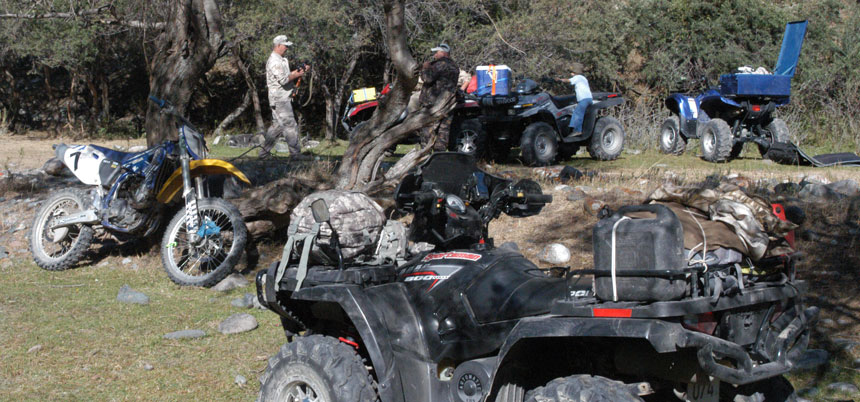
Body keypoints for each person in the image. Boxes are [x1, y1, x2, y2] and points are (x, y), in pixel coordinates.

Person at [259, 35, 310, 158]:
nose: (287, 48)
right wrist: (299, 73)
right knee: (290, 125)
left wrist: (298, 72)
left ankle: (263, 154)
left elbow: (287, 75)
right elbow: (283, 80)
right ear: (278, 46)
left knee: (277, 127)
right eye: (285, 45)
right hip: (280, 99)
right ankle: (295, 154)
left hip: (281, 98)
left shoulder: (281, 59)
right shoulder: (275, 61)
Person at [418, 43, 460, 151]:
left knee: (427, 129)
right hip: (448, 103)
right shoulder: (455, 66)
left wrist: (425, 68)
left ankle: (425, 153)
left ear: (443, 53)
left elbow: (427, 79)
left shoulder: (439, 65)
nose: (434, 55)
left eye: (436, 52)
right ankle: (439, 155)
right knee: (443, 131)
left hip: (433, 103)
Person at [557, 62, 592, 135]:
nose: (570, 74)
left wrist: (560, 80)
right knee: (582, 113)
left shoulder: (577, 77)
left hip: (583, 99)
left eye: (571, 72)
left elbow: (569, 81)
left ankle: (577, 130)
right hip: (589, 99)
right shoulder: (583, 78)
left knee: (577, 113)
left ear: (574, 72)